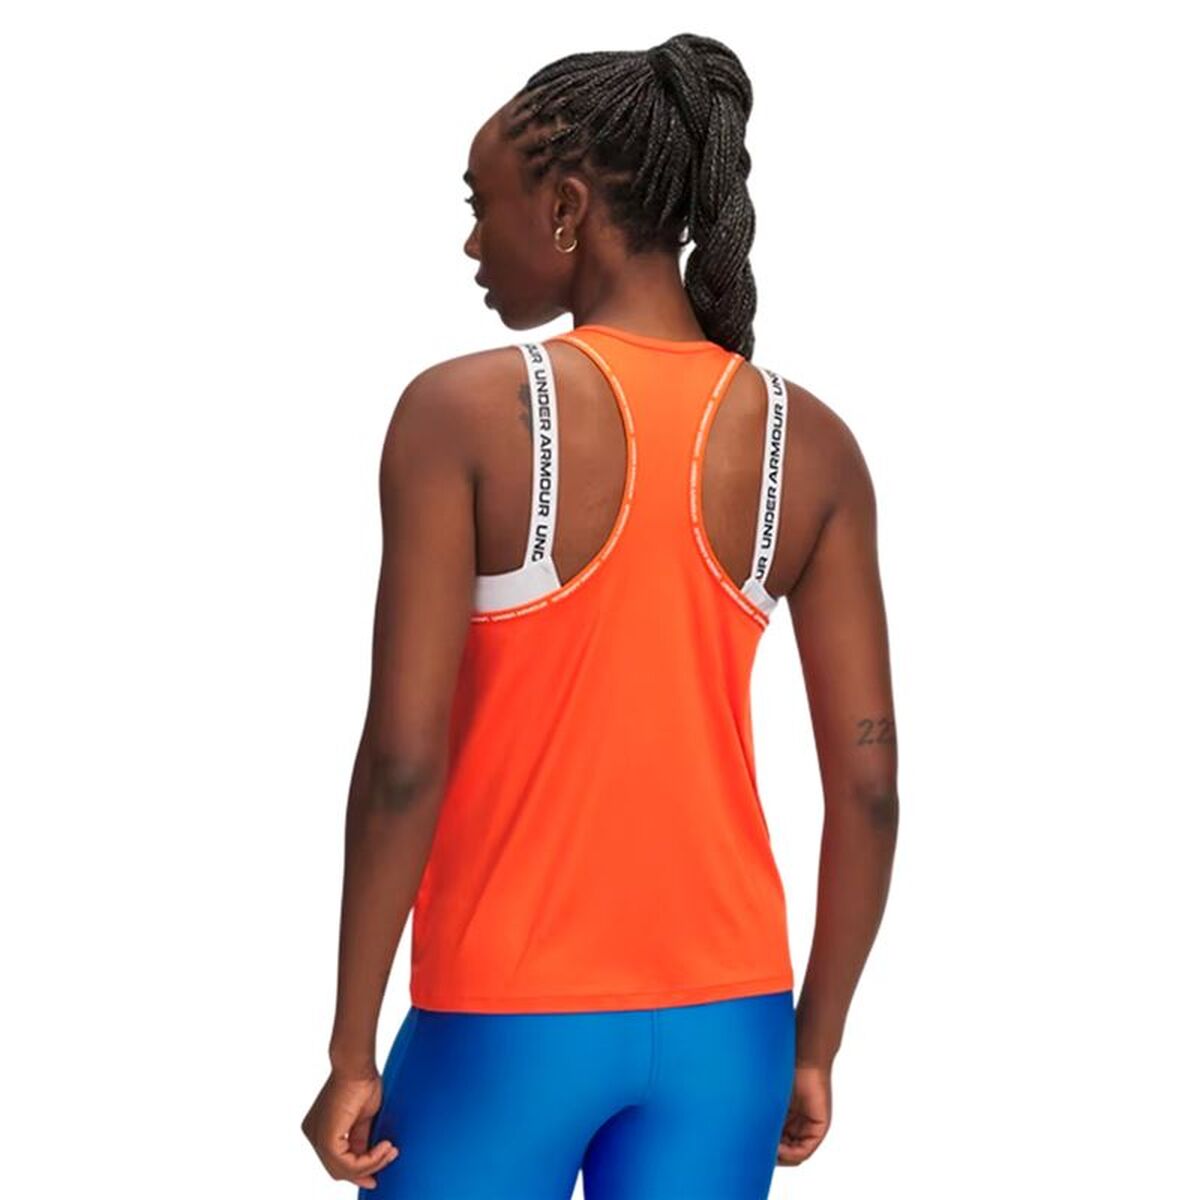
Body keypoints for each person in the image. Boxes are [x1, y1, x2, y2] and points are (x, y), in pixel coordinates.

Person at [301, 32, 899, 1199]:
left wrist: (349, 1047)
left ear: (567, 206)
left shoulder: (460, 416)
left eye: (482, 205)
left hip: (504, 1022)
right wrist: (813, 1041)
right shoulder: (814, 445)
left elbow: (402, 764)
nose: (473, 243)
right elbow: (870, 787)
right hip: (732, 1027)